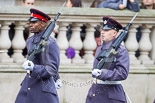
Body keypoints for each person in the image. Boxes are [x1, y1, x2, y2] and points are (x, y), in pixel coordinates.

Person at [15, 8, 61, 103]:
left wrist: (34, 68)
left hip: (42, 90)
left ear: (43, 24)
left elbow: (52, 69)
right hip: (28, 86)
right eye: (30, 22)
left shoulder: (50, 43)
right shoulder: (30, 40)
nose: (30, 25)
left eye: (34, 22)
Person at [86, 17, 130, 103]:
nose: (102, 32)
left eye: (106, 31)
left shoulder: (121, 50)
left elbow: (123, 73)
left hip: (111, 95)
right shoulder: (99, 48)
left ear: (114, 33)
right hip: (96, 92)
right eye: (103, 30)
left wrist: (103, 73)